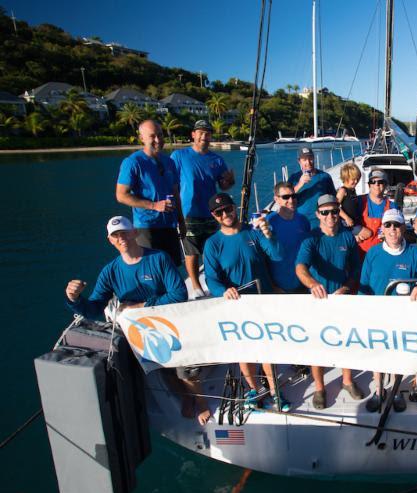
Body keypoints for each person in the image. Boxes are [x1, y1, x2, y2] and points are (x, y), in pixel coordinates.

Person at [63, 216, 207, 423]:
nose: (121, 238)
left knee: (185, 366)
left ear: (135, 233)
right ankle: (185, 396)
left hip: (170, 322)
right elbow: (94, 309)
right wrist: (74, 299)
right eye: (116, 235)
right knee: (163, 369)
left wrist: (140, 306)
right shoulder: (110, 271)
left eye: (124, 232)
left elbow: (178, 294)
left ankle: (201, 401)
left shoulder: (159, 258)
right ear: (110, 240)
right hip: (141, 331)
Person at [203, 193, 289, 412]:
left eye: (228, 209)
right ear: (214, 216)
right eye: (219, 212)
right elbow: (212, 278)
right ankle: (253, 387)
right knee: (245, 348)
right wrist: (223, 290)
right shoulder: (213, 244)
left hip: (263, 300)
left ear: (235, 208)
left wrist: (269, 235)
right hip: (237, 304)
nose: (226, 214)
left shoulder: (253, 232)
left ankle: (274, 390)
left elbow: (277, 255)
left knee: (266, 346)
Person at [359, 209, 417, 412]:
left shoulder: (414, 252)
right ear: (382, 229)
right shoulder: (373, 253)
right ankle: (379, 391)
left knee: (397, 355)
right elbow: (363, 285)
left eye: (397, 225)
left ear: (403, 228)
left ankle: (395, 391)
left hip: (403, 317)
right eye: (388, 225)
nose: (393, 229)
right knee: (378, 355)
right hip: (377, 315)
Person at [295, 194, 364, 409]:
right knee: (317, 346)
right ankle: (319, 388)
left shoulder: (347, 237)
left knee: (346, 341)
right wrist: (312, 284)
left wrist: (347, 287)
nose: (330, 216)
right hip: (319, 300)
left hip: (342, 298)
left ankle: (346, 380)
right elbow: (300, 268)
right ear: (318, 215)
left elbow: (356, 268)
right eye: (325, 212)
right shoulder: (310, 239)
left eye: (334, 211)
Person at [171, 119, 235, 298]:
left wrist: (230, 181)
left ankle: (215, 282)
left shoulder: (217, 160)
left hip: (213, 213)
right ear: (193, 134)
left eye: (207, 133)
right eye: (200, 132)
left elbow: (224, 186)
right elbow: (171, 184)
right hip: (188, 213)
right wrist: (175, 212)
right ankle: (196, 286)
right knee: (191, 253)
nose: (204, 136)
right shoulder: (179, 156)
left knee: (213, 250)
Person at [116, 119, 186, 267]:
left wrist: (181, 221)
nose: (158, 140)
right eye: (152, 136)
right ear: (142, 138)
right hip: (147, 228)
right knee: (152, 271)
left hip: (170, 226)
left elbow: (175, 193)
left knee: (172, 268)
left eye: (160, 135)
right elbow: (121, 195)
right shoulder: (132, 162)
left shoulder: (170, 162)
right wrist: (154, 205)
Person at [267, 182, 311, 293]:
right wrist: (272, 286)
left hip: (304, 283)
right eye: (285, 197)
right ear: (276, 199)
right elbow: (262, 258)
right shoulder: (269, 223)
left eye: (293, 196)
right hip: (280, 288)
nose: (291, 200)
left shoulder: (303, 221)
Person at [288, 147, 335, 229]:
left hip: (321, 223)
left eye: (310, 158)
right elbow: (286, 199)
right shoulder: (294, 178)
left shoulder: (325, 177)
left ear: (314, 158)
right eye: (305, 160)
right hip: (299, 223)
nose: (308, 162)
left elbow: (333, 199)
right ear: (299, 161)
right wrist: (300, 184)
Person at [356, 169, 396, 255]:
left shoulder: (392, 207)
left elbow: (399, 230)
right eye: (373, 181)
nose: (376, 184)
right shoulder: (358, 201)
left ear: (385, 185)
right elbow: (341, 220)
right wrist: (355, 231)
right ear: (369, 185)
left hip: (382, 255)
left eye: (380, 181)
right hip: (359, 255)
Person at [336, 162, 365, 236]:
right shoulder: (343, 190)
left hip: (354, 221)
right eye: (353, 179)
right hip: (346, 223)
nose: (356, 181)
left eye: (357, 179)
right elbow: (335, 207)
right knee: (367, 234)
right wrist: (346, 218)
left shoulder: (352, 190)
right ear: (346, 178)